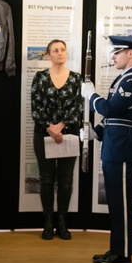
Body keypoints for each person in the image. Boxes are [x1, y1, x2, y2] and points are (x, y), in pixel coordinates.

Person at [82, 35, 132, 263]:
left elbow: (110, 108)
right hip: (115, 144)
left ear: (131, 53)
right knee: (116, 201)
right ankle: (118, 248)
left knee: (120, 202)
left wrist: (91, 95)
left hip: (122, 147)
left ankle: (123, 253)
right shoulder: (124, 78)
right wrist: (96, 132)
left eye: (117, 52)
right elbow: (115, 116)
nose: (113, 56)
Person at [31, 39, 83, 241]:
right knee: (46, 178)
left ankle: (62, 221)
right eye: (55, 50)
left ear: (66, 53)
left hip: (69, 134)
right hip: (43, 134)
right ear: (48, 55)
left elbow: (78, 107)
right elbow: (36, 107)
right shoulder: (40, 77)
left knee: (66, 179)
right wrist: (50, 128)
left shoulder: (77, 79)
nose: (59, 53)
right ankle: (48, 222)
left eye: (62, 49)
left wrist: (60, 127)